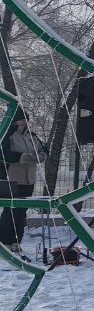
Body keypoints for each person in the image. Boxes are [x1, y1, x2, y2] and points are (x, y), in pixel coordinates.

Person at [0, 108, 45, 253]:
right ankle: (4, 241)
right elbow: (3, 154)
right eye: (22, 119)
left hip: (28, 180)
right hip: (11, 179)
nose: (25, 122)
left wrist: (43, 155)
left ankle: (16, 241)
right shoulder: (8, 135)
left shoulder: (32, 136)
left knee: (21, 211)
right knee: (10, 211)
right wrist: (22, 157)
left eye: (27, 119)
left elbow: (43, 148)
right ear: (15, 120)